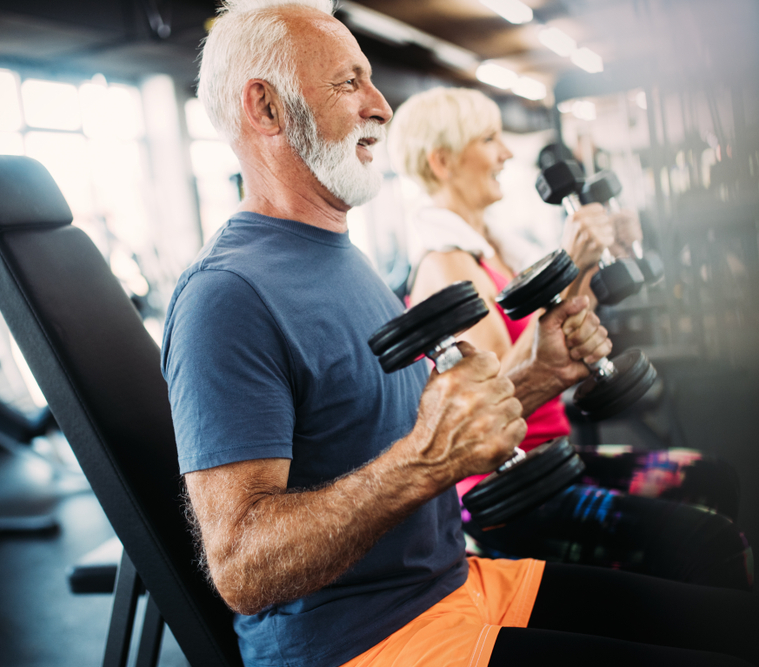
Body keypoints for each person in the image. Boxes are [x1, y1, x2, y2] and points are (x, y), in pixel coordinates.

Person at [161, 1, 758, 666]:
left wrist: (538, 374)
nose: (381, 106)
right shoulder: (225, 295)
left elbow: (423, 429)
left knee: (735, 625)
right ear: (266, 108)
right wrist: (425, 461)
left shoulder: (341, 256)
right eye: (348, 82)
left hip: (459, 584)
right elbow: (242, 568)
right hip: (369, 641)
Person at [387, 87, 750, 589]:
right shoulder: (446, 265)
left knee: (712, 478)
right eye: (490, 139)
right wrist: (571, 261)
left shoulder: (495, 249)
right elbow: (498, 394)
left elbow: (565, 330)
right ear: (443, 161)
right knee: (710, 542)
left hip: (554, 457)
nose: (507, 153)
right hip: (509, 491)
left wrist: (595, 259)